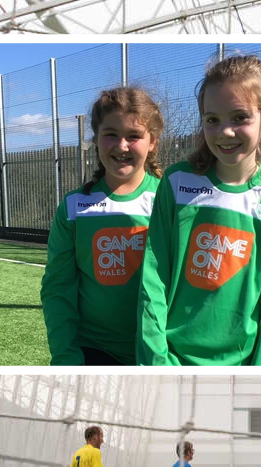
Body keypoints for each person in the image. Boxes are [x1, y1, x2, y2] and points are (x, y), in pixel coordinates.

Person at [137, 55, 261, 366]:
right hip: (169, 358)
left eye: (239, 117)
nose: (225, 131)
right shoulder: (177, 181)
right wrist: (156, 357)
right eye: (213, 119)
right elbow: (152, 277)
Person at [41, 87, 164, 366]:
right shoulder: (74, 208)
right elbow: (57, 289)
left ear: (152, 141)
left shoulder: (170, 202)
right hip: (94, 350)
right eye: (111, 134)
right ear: (95, 138)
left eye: (134, 136)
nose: (122, 146)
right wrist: (65, 355)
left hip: (160, 352)